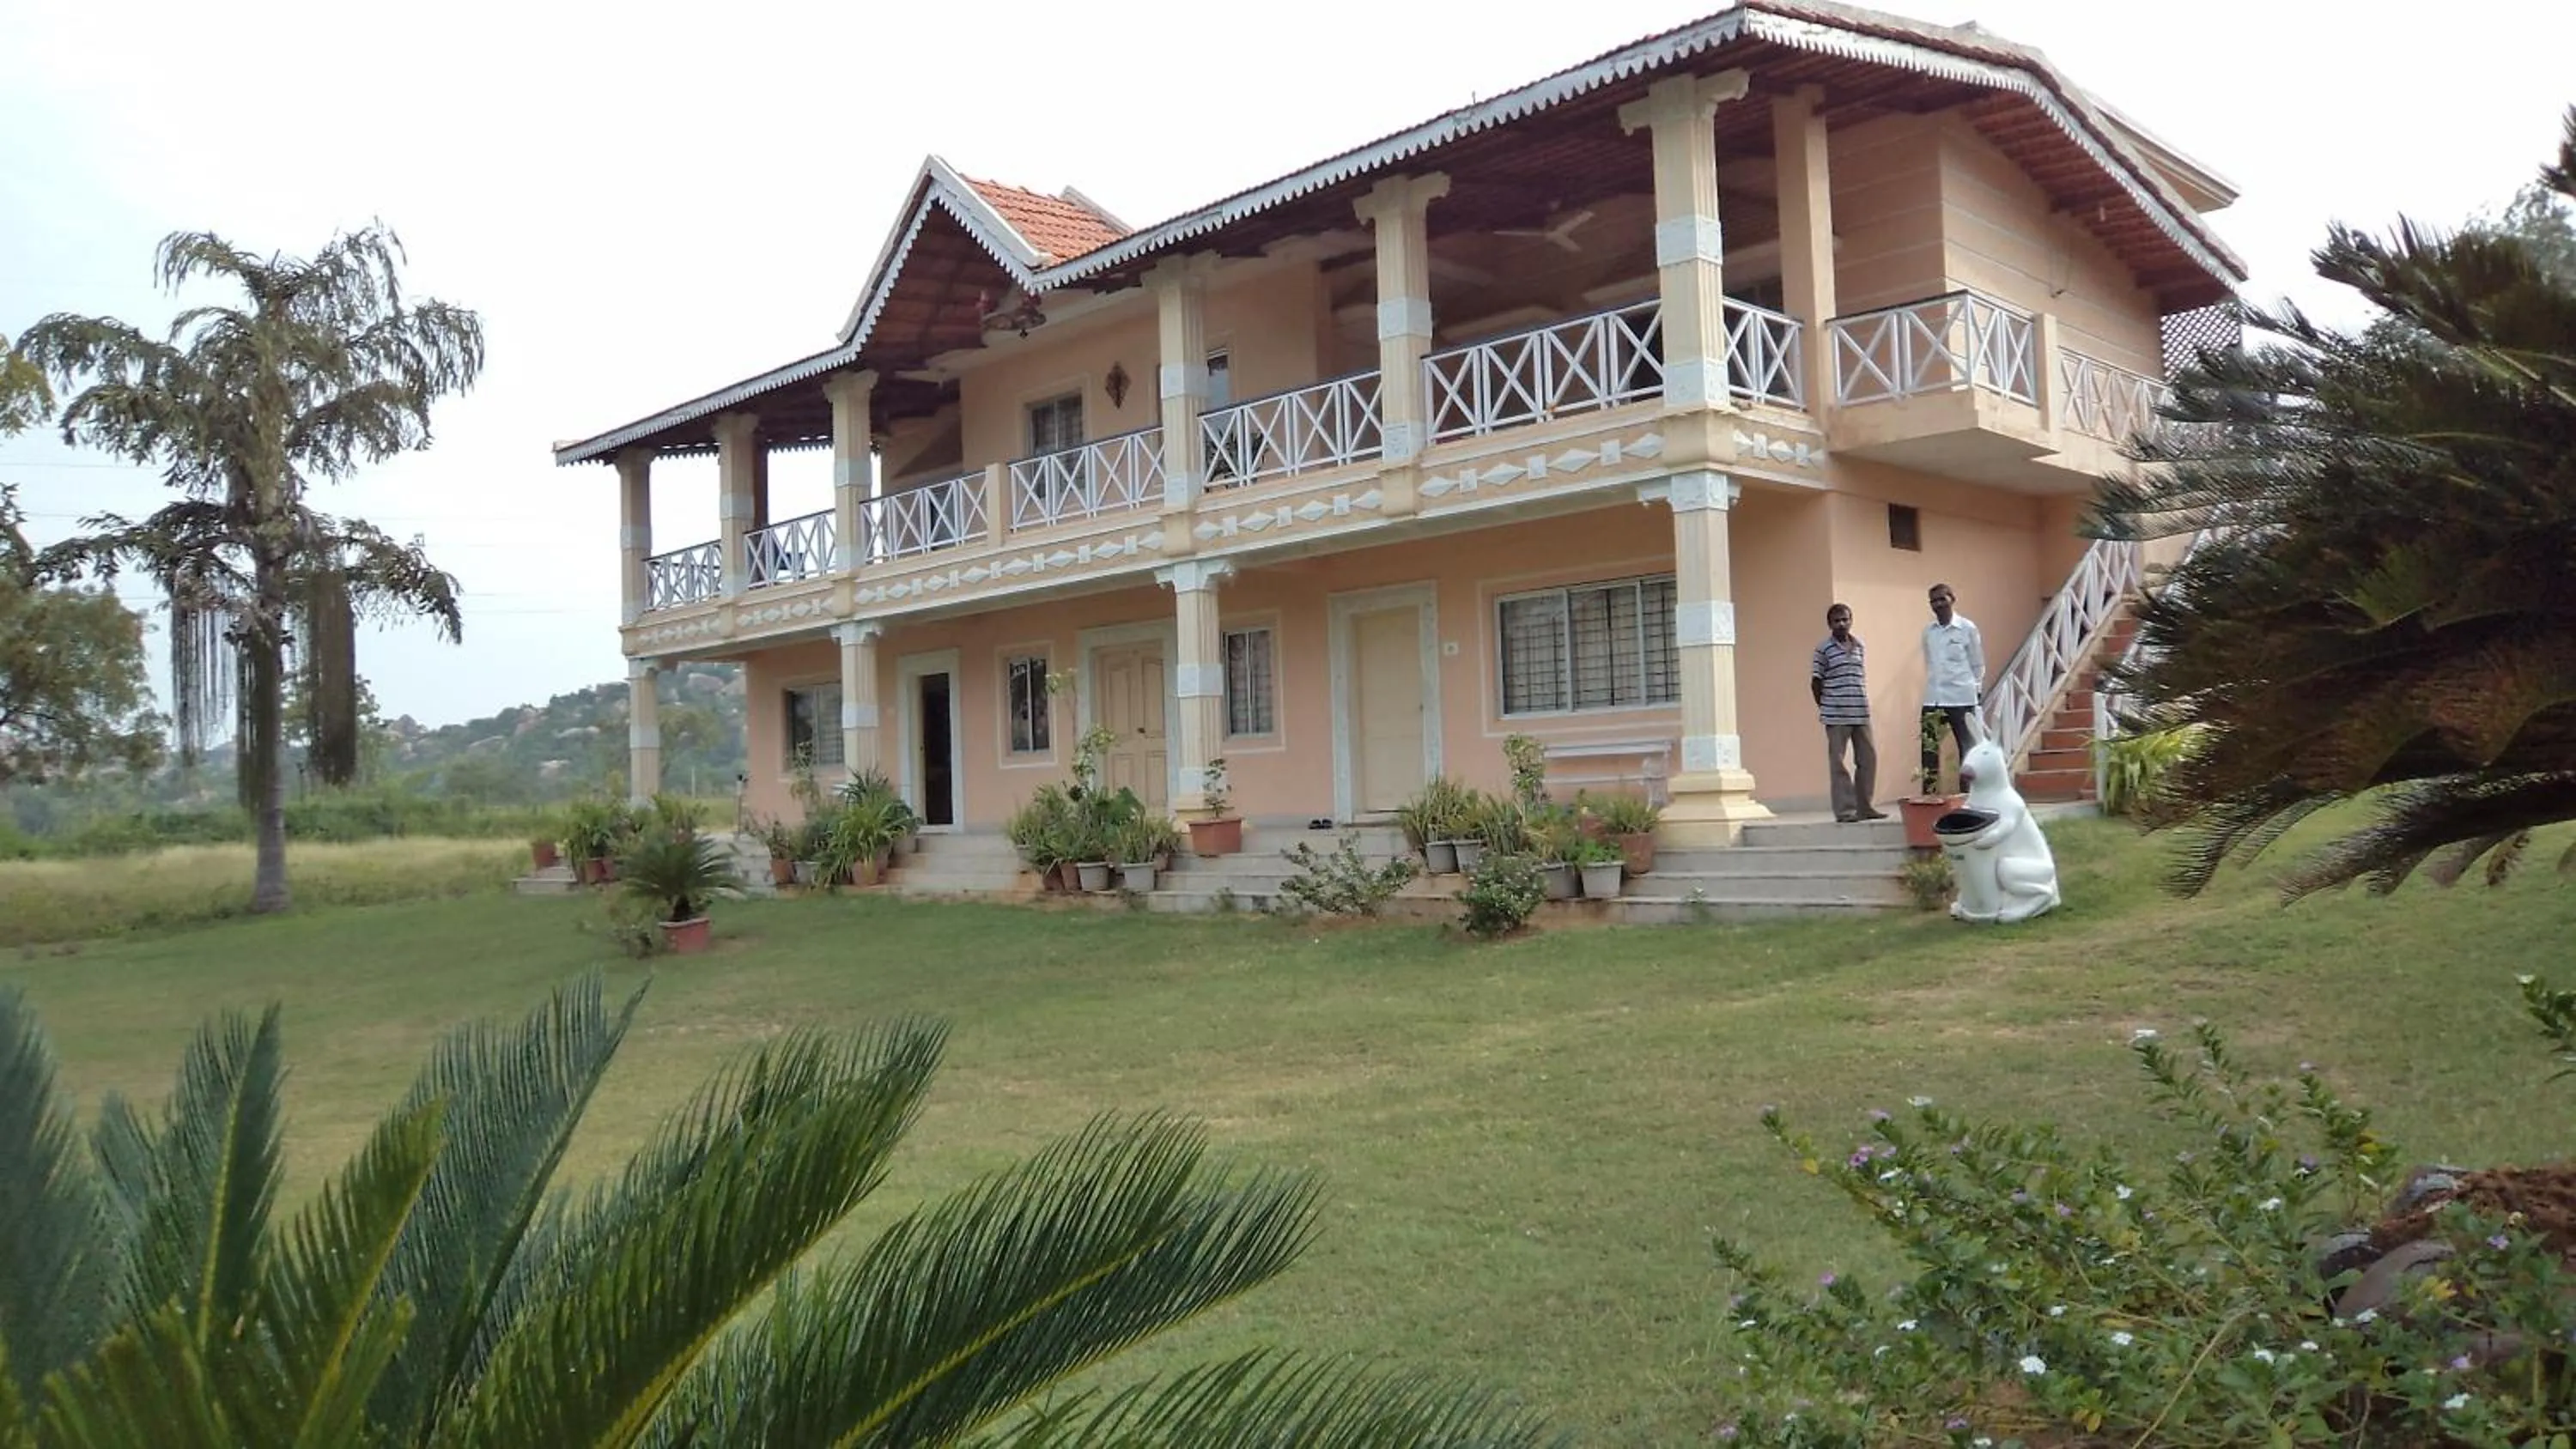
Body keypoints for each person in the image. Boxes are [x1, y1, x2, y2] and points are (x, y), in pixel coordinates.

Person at [1809, 603, 1884, 822]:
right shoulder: (1823, 649)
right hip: (1836, 714)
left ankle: (1866, 807)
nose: (1841, 624)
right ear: (1829, 624)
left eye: (1845, 619)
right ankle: (1845, 811)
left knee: (1868, 760)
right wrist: (1826, 707)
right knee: (1839, 763)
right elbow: (1815, 682)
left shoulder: (1859, 646)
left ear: (1851, 620)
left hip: (1860, 712)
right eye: (1836, 621)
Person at [1919, 582, 1985, 793]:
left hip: (1961, 697)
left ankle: (1968, 797)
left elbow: (1977, 664)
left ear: (1952, 599)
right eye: (1934, 601)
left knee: (1967, 749)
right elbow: (1930, 662)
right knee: (1929, 750)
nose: (1938, 604)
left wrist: (1975, 690)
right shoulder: (1929, 632)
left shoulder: (1967, 628)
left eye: (1942, 599)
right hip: (1934, 698)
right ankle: (1929, 797)